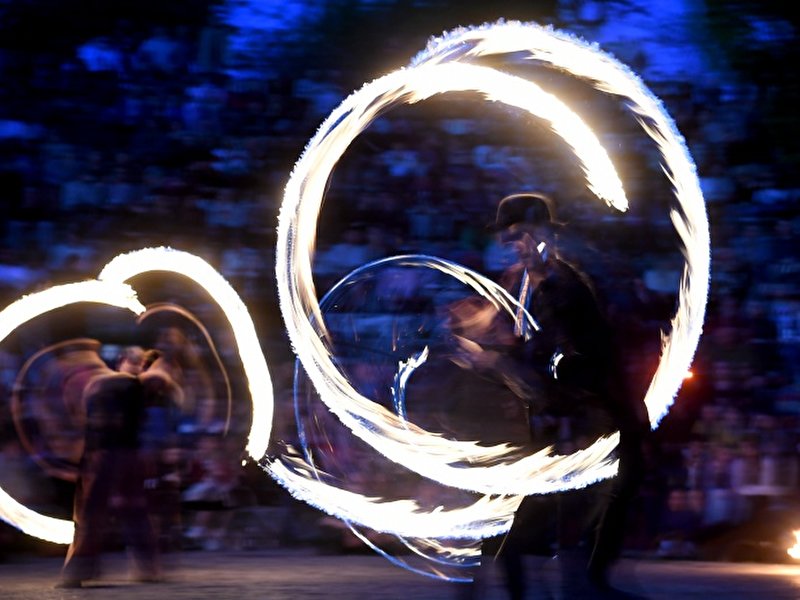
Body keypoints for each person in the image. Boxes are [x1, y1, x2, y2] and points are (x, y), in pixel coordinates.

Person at [455, 193, 649, 599]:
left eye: (524, 236)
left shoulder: (566, 287)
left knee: (587, 500)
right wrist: (482, 346)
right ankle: (550, 585)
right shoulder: (518, 285)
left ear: (547, 235)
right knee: (528, 510)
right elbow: (515, 339)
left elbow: (579, 354)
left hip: (589, 415)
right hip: (554, 415)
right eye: (510, 240)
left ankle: (587, 582)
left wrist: (504, 362)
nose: (518, 247)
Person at [57, 347, 161, 588]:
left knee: (100, 512)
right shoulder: (123, 384)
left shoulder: (108, 384)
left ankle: (77, 571)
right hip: (114, 454)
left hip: (109, 454)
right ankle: (146, 568)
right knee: (123, 510)